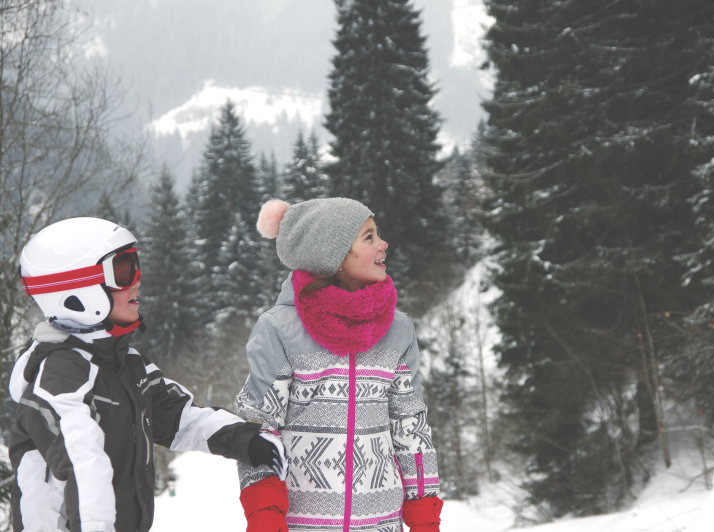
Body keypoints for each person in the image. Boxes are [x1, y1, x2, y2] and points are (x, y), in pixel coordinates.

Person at [9, 217, 285, 532]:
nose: (137, 281)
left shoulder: (126, 363)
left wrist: (246, 440)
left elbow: (179, 418)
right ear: (77, 292)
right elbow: (84, 467)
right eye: (124, 270)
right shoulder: (58, 378)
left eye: (136, 266)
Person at [236, 198, 443, 532]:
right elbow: (260, 427)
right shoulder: (280, 329)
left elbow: (411, 428)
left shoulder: (397, 329)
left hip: (382, 524)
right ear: (333, 254)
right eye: (369, 237)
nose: (383, 244)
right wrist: (265, 514)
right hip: (301, 525)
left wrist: (425, 518)